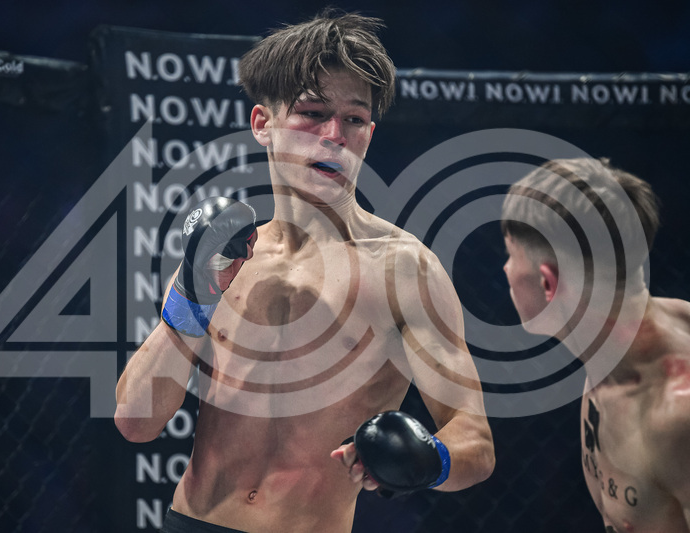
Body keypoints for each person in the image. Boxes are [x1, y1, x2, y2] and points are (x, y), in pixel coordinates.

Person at [115, 10, 495, 533]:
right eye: (313, 113)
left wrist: (430, 459)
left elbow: (475, 439)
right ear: (263, 124)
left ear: (369, 134)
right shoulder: (224, 254)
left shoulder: (404, 271)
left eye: (354, 119)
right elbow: (136, 422)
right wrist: (193, 293)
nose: (334, 135)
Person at [501, 157, 690, 532]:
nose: (506, 269)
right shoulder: (607, 354)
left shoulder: (677, 415)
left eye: (511, 254)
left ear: (548, 283)